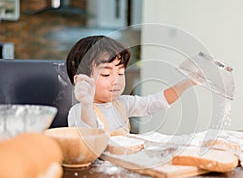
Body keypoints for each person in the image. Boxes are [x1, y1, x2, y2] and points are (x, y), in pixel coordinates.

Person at [66, 35, 197, 135]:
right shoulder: (79, 111)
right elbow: (89, 139)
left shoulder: (122, 104)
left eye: (120, 73)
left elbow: (155, 102)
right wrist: (86, 104)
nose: (116, 80)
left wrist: (187, 82)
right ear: (81, 81)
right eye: (106, 74)